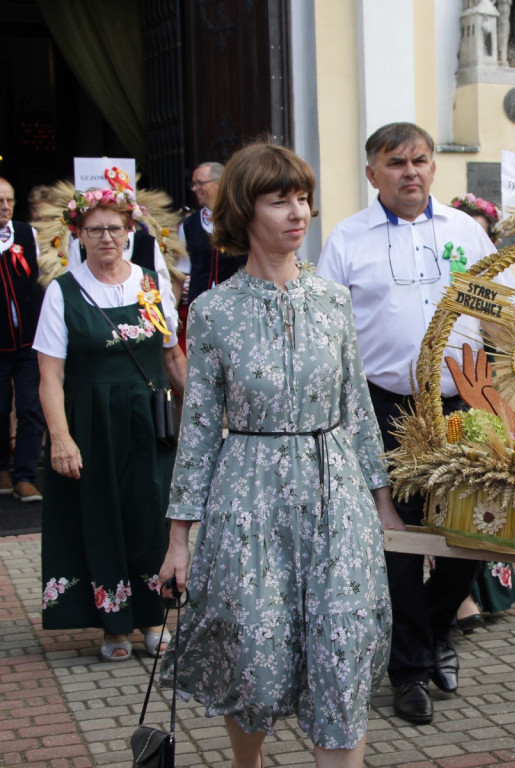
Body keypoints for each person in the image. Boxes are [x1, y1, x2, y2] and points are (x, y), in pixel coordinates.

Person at [158, 142, 400, 768]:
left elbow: (357, 409)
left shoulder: (333, 300)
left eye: (303, 198)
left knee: (340, 651)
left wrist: (384, 506)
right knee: (254, 655)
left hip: (336, 499)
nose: (300, 213)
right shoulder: (212, 313)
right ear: (244, 209)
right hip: (248, 502)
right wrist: (179, 537)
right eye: (280, 200)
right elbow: (201, 429)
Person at [318, 122, 515, 725]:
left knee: (476, 531)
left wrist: (514, 395)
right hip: (386, 407)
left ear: (434, 168)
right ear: (371, 172)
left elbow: (498, 317)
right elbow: (333, 333)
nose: (411, 171)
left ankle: (435, 629)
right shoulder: (348, 240)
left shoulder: (464, 233)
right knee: (401, 540)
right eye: (396, 161)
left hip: (465, 403)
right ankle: (407, 669)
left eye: (421, 160)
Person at [34, 185, 186, 662]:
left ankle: (154, 619)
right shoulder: (63, 293)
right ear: (78, 234)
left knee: (149, 517)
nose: (106, 238)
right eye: (95, 229)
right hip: (91, 423)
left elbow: (171, 356)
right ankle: (113, 625)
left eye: (115, 229)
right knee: (100, 519)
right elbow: (49, 375)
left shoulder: (147, 283)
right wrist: (61, 437)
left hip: (148, 422)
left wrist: (207, 410)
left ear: (129, 232)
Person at [448, 193, 515, 632]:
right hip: (452, 394)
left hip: (490, 396)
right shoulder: (450, 278)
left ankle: (487, 593)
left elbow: (507, 331)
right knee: (453, 495)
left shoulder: (488, 282)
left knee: (488, 495)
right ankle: (460, 599)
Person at [0, 178, 46, 502]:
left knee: (31, 407)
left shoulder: (27, 234)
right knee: (0, 408)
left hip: (30, 339)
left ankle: (26, 475)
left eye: (9, 200)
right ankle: (2, 467)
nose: (4, 207)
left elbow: (42, 279)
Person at [180, 161, 243, 305]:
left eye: (199, 183)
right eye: (193, 184)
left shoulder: (241, 220)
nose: (194, 188)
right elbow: (180, 273)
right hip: (200, 305)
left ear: (219, 183)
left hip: (237, 304)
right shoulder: (189, 225)